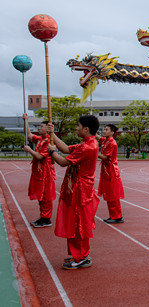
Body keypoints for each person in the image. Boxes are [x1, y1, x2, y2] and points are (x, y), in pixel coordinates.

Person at [46, 114, 101, 270]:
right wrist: (52, 134)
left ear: (86, 129)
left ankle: (82, 256)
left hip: (80, 190)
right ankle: (78, 254)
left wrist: (52, 153)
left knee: (78, 224)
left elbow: (64, 162)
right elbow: (65, 149)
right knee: (75, 222)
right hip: (77, 187)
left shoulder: (87, 146)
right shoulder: (87, 143)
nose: (76, 128)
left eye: (78, 126)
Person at [21, 114, 56, 228]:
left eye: (41, 127)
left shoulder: (49, 141)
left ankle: (46, 218)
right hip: (38, 171)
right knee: (41, 195)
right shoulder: (40, 139)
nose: (39, 129)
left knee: (45, 196)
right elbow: (29, 135)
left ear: (48, 129)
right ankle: (43, 216)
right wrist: (26, 120)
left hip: (45, 172)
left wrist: (30, 150)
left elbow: (40, 156)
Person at [97, 124, 125, 223]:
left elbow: (105, 157)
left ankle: (117, 216)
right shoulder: (106, 141)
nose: (104, 131)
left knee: (113, 194)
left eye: (106, 129)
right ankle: (113, 215)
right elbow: (98, 137)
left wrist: (93, 152)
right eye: (104, 129)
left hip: (111, 171)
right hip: (106, 170)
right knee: (109, 194)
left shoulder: (112, 143)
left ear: (112, 132)